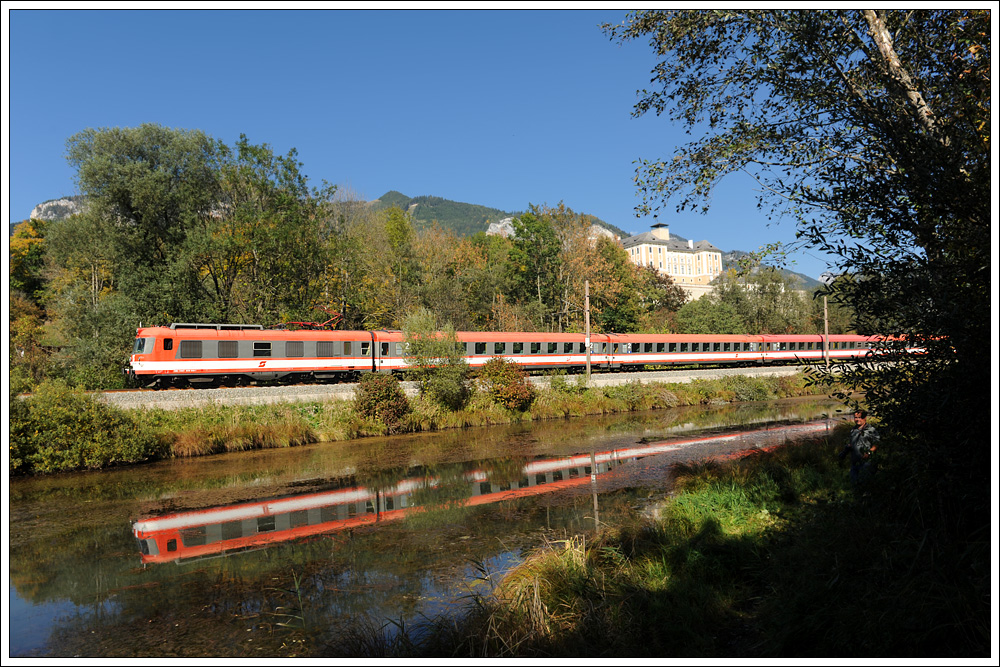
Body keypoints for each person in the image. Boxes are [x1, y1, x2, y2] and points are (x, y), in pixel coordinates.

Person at [840, 409, 880, 486]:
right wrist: (846, 450)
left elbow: (877, 444)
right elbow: (852, 443)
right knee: (854, 484)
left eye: (860, 417)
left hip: (867, 462)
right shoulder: (853, 430)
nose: (857, 419)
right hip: (855, 463)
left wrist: (869, 453)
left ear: (865, 418)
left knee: (866, 484)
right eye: (856, 417)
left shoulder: (871, 429)